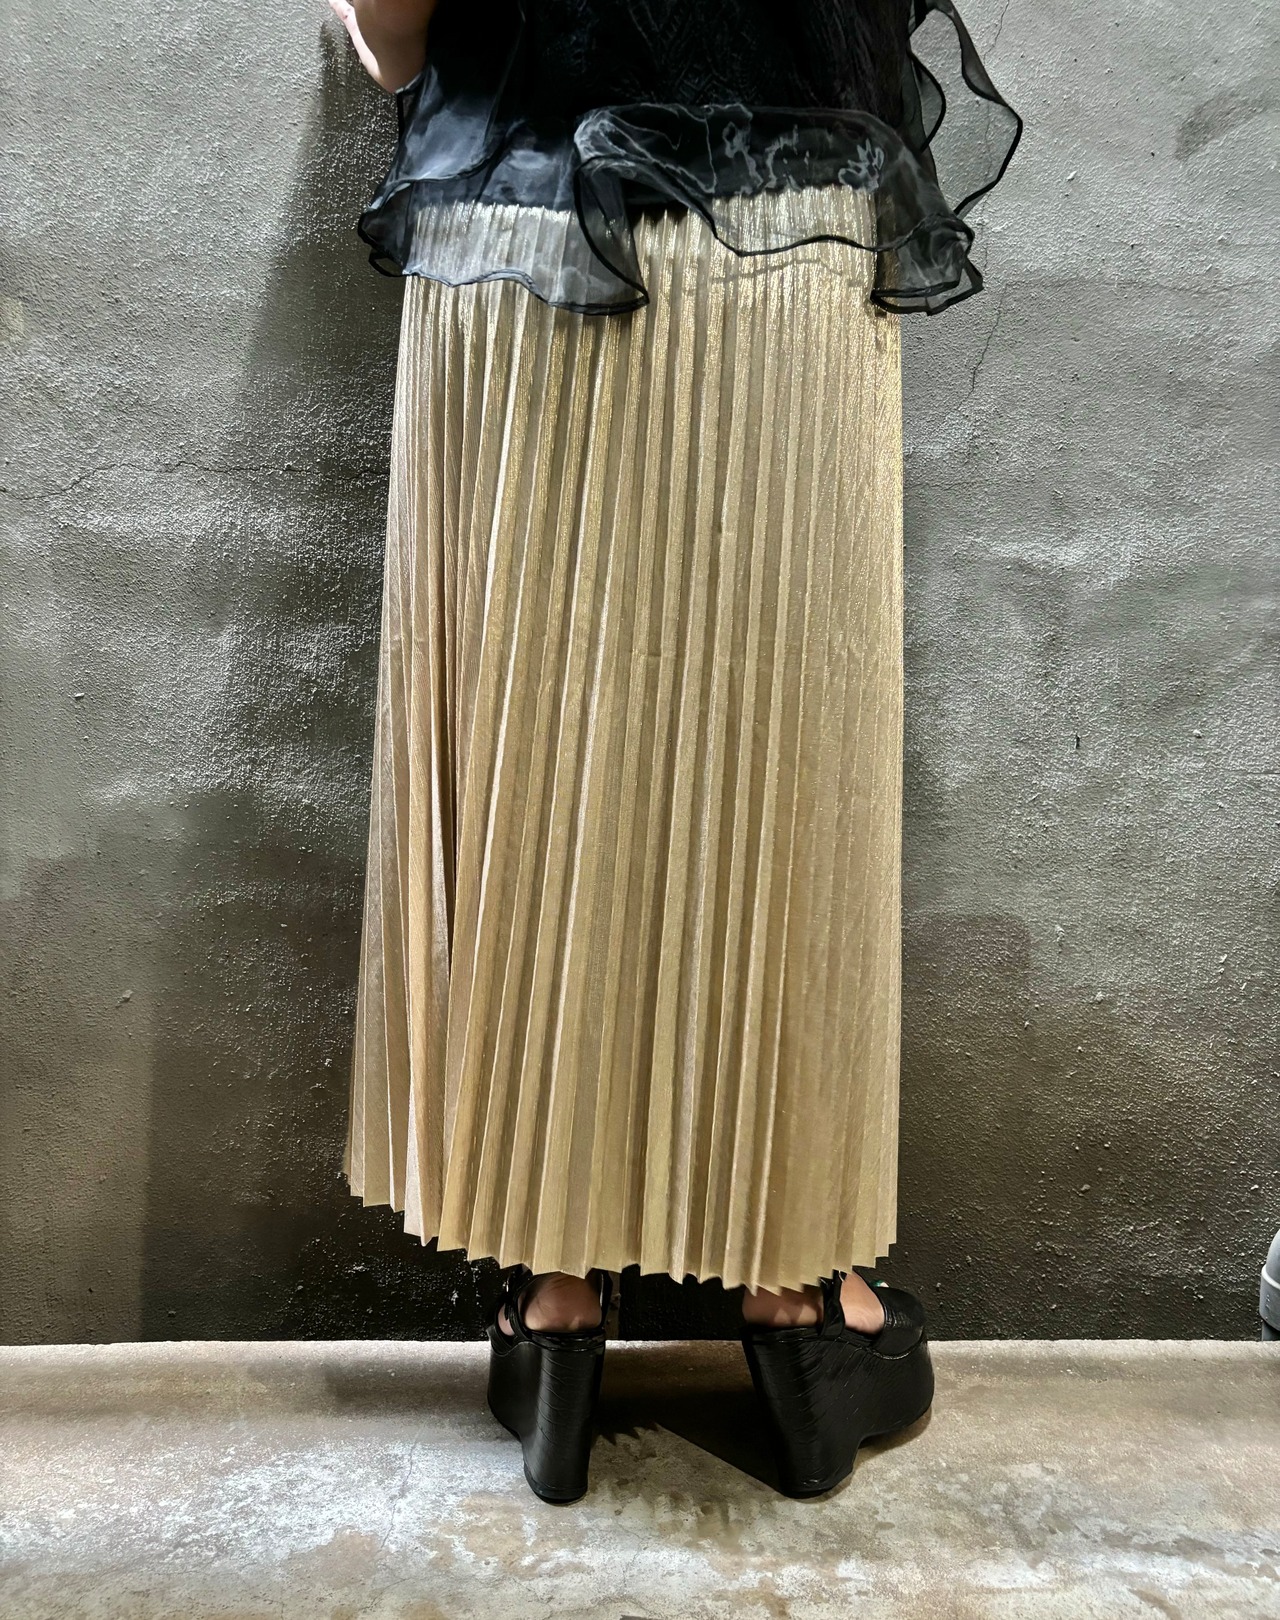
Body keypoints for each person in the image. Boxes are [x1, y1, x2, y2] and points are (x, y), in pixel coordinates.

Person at [330, 0, 1021, 1503]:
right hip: (784, 244)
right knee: (785, 762)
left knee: (532, 756)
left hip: (524, 246)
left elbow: (390, 39)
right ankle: (799, 1301)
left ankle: (556, 1300)